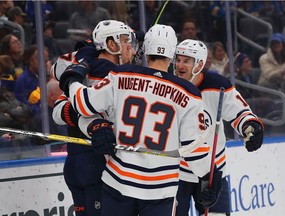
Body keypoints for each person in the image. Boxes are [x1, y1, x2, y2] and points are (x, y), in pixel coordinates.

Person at [58, 24, 223, 216]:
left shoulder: (121, 75)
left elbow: (82, 103)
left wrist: (71, 81)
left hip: (118, 183)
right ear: (172, 53)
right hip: (160, 190)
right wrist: (210, 176)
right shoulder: (189, 94)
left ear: (145, 51)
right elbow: (194, 150)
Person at [52, 20, 137, 216]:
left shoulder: (83, 67)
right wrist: (93, 124)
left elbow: (58, 110)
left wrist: (89, 121)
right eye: (126, 41)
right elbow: (59, 112)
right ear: (111, 44)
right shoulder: (111, 74)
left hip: (77, 162)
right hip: (97, 163)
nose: (131, 49)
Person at [174, 39, 264, 216]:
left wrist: (250, 126)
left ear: (199, 64)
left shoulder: (217, 85)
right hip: (178, 172)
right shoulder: (169, 86)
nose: (179, 65)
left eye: (186, 61)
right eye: (177, 59)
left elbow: (240, 112)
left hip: (212, 172)